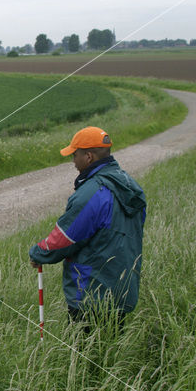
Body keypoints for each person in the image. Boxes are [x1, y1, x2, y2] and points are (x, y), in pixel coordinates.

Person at [29, 126, 146, 331]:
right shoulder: (129, 185)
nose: (73, 161)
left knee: (83, 357)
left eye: (75, 155)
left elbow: (65, 238)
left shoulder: (93, 192)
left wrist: (38, 253)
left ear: (89, 156)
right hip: (122, 290)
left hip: (91, 294)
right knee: (112, 353)